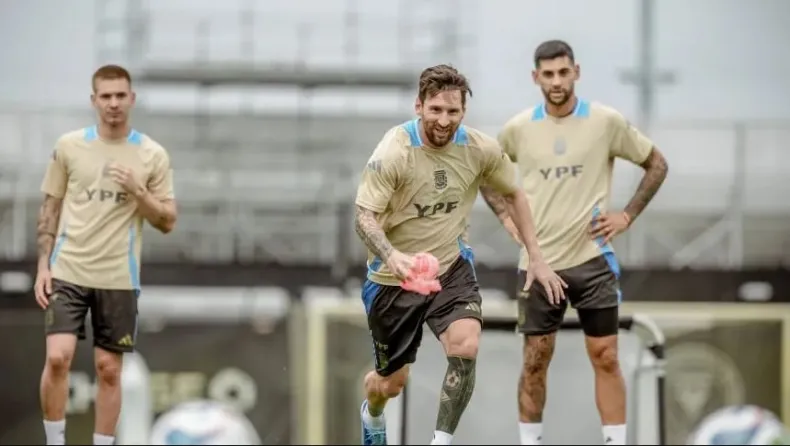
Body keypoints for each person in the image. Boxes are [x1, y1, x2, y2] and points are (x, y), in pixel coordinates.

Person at [353, 64, 567, 446]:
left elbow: (512, 192)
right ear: (418, 106)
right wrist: (392, 256)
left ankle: (440, 442)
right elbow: (363, 216)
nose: (443, 120)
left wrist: (536, 255)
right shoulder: (394, 151)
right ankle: (372, 414)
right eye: (435, 110)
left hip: (450, 267)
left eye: (452, 111)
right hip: (392, 280)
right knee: (391, 384)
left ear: (463, 112)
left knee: (466, 344)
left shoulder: (479, 148)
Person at [479, 40, 669, 446]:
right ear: (536, 78)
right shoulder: (517, 129)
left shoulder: (605, 121)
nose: (557, 81)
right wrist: (505, 218)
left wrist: (627, 215)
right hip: (537, 263)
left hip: (593, 259)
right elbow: (485, 174)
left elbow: (657, 164)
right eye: (548, 74)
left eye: (563, 72)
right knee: (534, 362)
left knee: (607, 356)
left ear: (576, 72)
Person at [35, 64, 177, 446]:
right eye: (106, 96)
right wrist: (42, 266)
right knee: (58, 357)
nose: (113, 103)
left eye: (120, 96)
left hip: (118, 276)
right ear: (94, 100)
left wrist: (138, 192)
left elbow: (167, 220)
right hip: (68, 270)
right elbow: (50, 206)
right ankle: (55, 440)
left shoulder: (151, 155)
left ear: (131, 99)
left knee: (109, 369)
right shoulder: (68, 147)